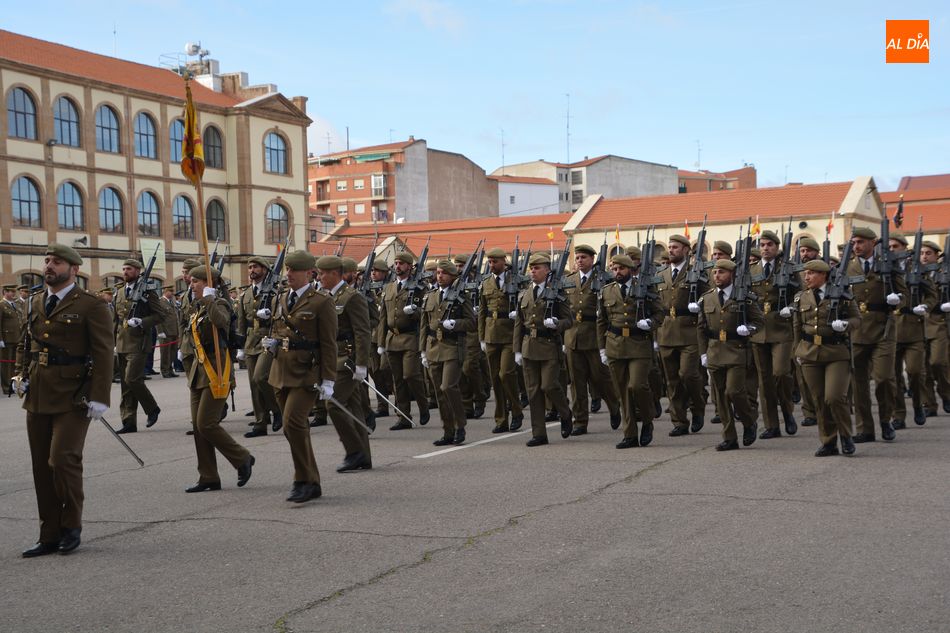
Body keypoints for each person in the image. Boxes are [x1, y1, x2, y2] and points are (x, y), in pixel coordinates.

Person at [15, 243, 113, 557]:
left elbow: (103, 352)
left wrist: (100, 396)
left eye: (56, 262)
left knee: (62, 460)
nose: (49, 266)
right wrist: (21, 373)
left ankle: (71, 526)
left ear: (73, 269)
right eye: (47, 261)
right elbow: (26, 342)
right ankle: (49, 533)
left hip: (75, 396)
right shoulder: (34, 301)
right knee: (41, 468)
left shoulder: (90, 304)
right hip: (39, 393)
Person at [264, 250, 337, 503]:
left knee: (293, 423)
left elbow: (329, 343)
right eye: (287, 270)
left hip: (307, 372)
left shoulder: (321, 301)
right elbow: (277, 329)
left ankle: (302, 479)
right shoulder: (281, 298)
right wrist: (271, 343)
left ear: (309, 273)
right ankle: (311, 481)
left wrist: (329, 379)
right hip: (281, 370)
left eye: (294, 270)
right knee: (294, 429)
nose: (289, 274)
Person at [183, 265, 254, 492]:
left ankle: (242, 457)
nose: (191, 284)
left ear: (208, 283)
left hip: (217, 370)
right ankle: (208, 476)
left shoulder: (220, 303)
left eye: (196, 281)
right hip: (199, 370)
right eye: (191, 281)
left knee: (207, 423)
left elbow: (221, 322)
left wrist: (210, 300)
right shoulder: (197, 307)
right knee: (198, 426)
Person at [793, 259, 860, 456]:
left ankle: (846, 435)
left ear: (823, 275)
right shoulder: (801, 297)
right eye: (806, 273)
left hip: (836, 353)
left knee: (835, 397)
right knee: (819, 399)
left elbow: (857, 319)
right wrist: (797, 350)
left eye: (811, 273)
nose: (806, 277)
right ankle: (829, 441)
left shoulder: (842, 295)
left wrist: (845, 324)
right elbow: (796, 327)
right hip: (809, 352)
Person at [697, 259, 764, 451]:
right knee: (720, 397)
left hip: (737, 351)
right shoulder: (707, 298)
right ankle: (729, 437)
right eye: (715, 272)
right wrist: (703, 353)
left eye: (722, 272)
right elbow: (701, 329)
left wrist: (749, 329)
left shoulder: (744, 297)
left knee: (733, 391)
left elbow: (759, 322)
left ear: (732, 275)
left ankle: (749, 420)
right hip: (714, 351)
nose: (717, 275)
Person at [597, 254, 663, 448]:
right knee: (622, 390)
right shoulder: (606, 291)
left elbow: (660, 312)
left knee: (637, 385)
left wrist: (650, 323)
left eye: (621, 269)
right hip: (615, 345)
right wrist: (602, 348)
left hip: (639, 344)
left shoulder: (645, 289)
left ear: (630, 270)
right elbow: (601, 322)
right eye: (614, 269)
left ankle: (648, 420)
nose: (617, 272)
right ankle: (630, 434)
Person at [848, 226, 906, 443]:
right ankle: (865, 428)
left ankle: (885, 419)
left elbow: (905, 295)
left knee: (883, 378)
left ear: (873, 243)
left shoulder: (887, 266)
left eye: (861, 242)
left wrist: (897, 299)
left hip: (883, 329)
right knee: (858, 383)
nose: (857, 246)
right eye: (854, 242)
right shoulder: (848, 267)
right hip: (856, 331)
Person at [316, 255, 373, 472]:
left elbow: (362, 332)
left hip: (346, 360)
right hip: (331, 358)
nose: (319, 277)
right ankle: (364, 456)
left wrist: (361, 364)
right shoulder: (324, 296)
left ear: (334, 274)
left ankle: (354, 451)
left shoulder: (351, 297)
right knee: (354, 406)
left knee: (334, 403)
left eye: (322, 273)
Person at [513, 252, 573, 446]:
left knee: (548, 385)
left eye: (537, 268)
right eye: (531, 268)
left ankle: (565, 412)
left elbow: (569, 320)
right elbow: (519, 324)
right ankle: (539, 434)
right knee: (533, 392)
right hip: (529, 346)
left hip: (549, 347)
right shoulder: (524, 294)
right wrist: (517, 350)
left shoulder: (556, 293)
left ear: (547, 270)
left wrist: (557, 323)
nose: (533, 271)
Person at [565, 244, 622, 435]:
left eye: (583, 257)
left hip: (594, 335)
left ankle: (614, 406)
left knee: (600, 378)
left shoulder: (604, 279)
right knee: (577, 381)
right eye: (577, 257)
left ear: (592, 259)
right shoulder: (569, 280)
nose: (579, 261)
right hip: (573, 336)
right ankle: (580, 421)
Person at [420, 260, 476, 445]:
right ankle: (448, 431)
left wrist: (455, 324)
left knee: (448, 387)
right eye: (438, 273)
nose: (440, 276)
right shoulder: (430, 296)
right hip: (433, 347)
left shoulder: (462, 297)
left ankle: (460, 425)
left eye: (444, 273)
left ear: (453, 276)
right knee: (439, 392)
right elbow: (424, 325)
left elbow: (472, 323)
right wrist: (422, 350)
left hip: (453, 347)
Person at [113, 257, 170, 433]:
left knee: (132, 379)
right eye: (124, 269)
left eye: (129, 269)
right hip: (122, 342)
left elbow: (160, 315)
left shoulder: (148, 292)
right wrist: (113, 341)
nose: (125, 272)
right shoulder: (120, 292)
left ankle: (152, 408)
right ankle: (128, 421)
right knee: (125, 385)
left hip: (139, 342)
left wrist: (142, 322)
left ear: (138, 272)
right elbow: (116, 319)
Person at [750, 230, 798, 438]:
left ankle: (787, 411)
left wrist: (792, 306)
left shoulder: (788, 269)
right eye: (762, 245)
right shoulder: (751, 270)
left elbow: (801, 293)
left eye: (769, 244)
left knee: (780, 373)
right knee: (765, 380)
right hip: (759, 328)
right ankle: (771, 424)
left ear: (777, 247)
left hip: (781, 327)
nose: (765, 248)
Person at [658, 234, 706, 436]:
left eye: (675, 247)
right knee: (672, 380)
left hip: (689, 331)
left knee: (688, 374)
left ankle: (698, 406)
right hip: (666, 331)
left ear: (686, 249)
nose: (671, 250)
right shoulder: (661, 274)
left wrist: (700, 306)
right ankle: (679, 421)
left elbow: (709, 297)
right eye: (669, 247)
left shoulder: (697, 272)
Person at [888, 233, 937, 428]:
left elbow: (932, 295)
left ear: (904, 248)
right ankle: (898, 414)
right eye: (889, 247)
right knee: (893, 376)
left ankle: (918, 404)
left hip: (914, 329)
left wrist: (925, 306)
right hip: (890, 329)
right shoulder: (884, 269)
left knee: (916, 372)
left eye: (895, 246)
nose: (891, 250)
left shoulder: (916, 269)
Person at [378, 253, 431, 429]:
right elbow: (383, 318)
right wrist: (380, 343)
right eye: (396, 263)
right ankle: (403, 416)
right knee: (397, 379)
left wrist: (414, 312)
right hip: (392, 337)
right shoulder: (389, 288)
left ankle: (423, 405)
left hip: (410, 337)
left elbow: (426, 315)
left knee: (410, 375)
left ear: (409, 266)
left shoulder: (420, 288)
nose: (398, 266)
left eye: (401, 263)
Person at [478, 247, 525, 433]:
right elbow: (482, 311)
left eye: (495, 262)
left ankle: (516, 410)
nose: (492, 265)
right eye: (489, 262)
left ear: (503, 262)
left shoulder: (517, 281)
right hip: (491, 334)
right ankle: (501, 419)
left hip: (509, 333)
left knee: (506, 374)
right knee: (495, 379)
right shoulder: (486, 283)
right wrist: (482, 337)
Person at [237, 256, 283, 438]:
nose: (252, 270)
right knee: (253, 385)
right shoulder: (246, 294)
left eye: (255, 267)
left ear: (265, 269)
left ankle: (277, 409)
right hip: (251, 341)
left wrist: (271, 314)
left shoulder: (277, 290)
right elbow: (241, 322)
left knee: (260, 377)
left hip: (269, 338)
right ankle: (260, 423)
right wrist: (240, 346)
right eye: (249, 267)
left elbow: (283, 314)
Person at [1, 284, 22, 395]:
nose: (13, 293)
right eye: (10, 291)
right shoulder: (1, 305)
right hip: (6, 339)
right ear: (4, 292)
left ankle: (14, 385)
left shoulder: (15, 304)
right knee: (6, 365)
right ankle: (6, 387)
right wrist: (0, 340)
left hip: (17, 338)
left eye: (14, 291)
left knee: (15, 364)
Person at [158, 286, 180, 378]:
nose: (172, 293)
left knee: (172, 352)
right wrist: (160, 331)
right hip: (165, 332)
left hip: (174, 331)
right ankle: (165, 370)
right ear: (165, 291)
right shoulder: (160, 302)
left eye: (172, 291)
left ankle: (170, 370)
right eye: (170, 291)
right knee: (165, 353)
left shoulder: (172, 302)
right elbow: (158, 318)